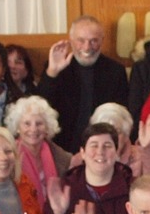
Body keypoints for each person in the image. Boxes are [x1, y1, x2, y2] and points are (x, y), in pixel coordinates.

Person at [37, 18, 131, 150]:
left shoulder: (115, 71)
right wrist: (52, 73)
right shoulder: (58, 67)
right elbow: (40, 106)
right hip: (61, 146)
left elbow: (121, 114)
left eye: (94, 41)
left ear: (102, 41)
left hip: (101, 147)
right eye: (81, 40)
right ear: (71, 41)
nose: (87, 47)